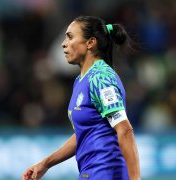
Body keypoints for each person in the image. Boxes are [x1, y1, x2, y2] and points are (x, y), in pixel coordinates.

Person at [22, 16, 140, 180]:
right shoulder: (81, 80)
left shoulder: (101, 78)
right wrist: (45, 164)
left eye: (70, 37)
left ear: (90, 43)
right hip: (89, 173)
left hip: (105, 172)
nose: (64, 43)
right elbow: (84, 132)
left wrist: (135, 178)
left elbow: (124, 129)